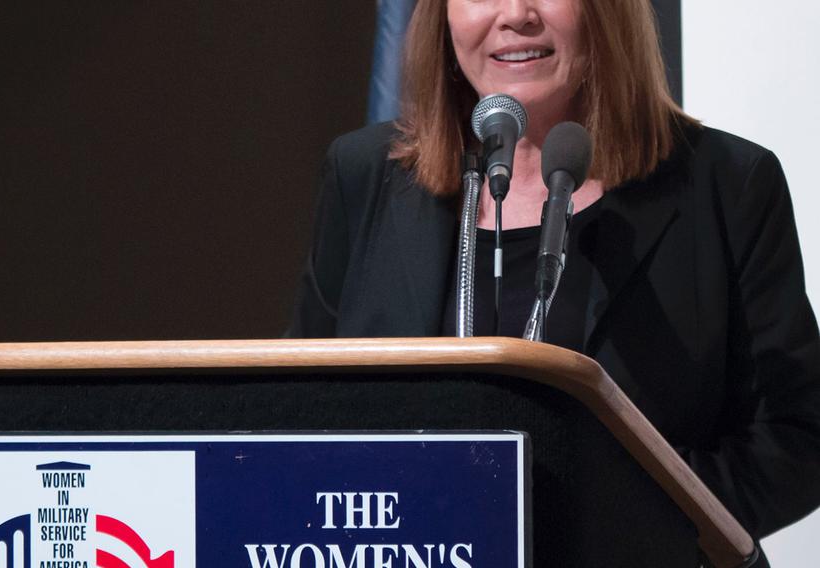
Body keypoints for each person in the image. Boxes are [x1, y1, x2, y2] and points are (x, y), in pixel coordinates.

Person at [288, 0, 820, 565]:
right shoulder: (365, 173)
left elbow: (797, 439)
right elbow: (302, 409)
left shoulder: (728, 183)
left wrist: (618, 524)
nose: (515, 14)